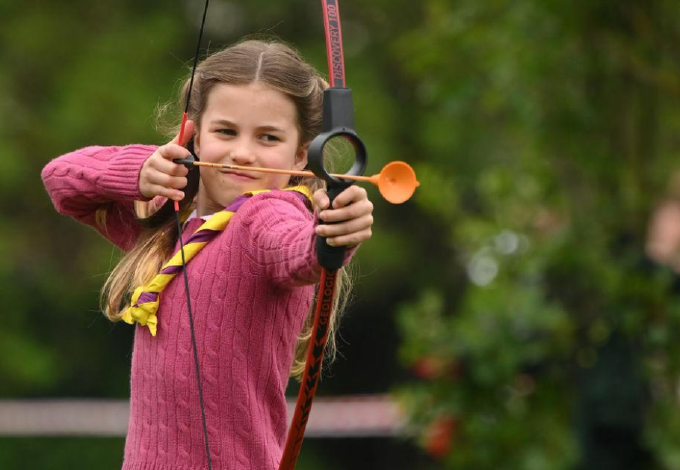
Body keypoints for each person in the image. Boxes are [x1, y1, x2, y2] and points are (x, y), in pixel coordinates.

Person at [41, 39, 374, 469]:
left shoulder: (267, 215)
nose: (242, 152)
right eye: (226, 131)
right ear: (193, 134)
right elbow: (62, 181)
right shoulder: (168, 229)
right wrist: (144, 171)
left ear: (299, 154)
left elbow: (297, 251)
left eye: (268, 137)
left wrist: (333, 236)